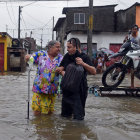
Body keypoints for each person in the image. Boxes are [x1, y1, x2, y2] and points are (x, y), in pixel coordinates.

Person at [56, 38, 96, 120]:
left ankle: (77, 131)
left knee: (78, 117)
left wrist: (83, 64)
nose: (67, 49)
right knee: (65, 116)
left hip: (79, 90)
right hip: (67, 89)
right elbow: (61, 68)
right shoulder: (67, 56)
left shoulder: (84, 57)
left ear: (76, 47)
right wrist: (61, 71)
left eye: (69, 47)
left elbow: (94, 71)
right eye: (67, 47)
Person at [25, 40, 63, 115]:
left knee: (49, 111)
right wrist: (28, 57)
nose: (59, 49)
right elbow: (31, 59)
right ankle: (38, 125)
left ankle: (47, 125)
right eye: (57, 47)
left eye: (60, 47)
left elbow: (64, 68)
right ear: (50, 47)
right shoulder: (41, 54)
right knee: (37, 109)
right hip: (39, 88)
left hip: (52, 89)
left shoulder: (60, 58)